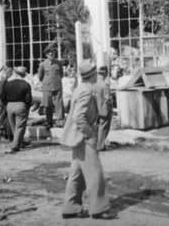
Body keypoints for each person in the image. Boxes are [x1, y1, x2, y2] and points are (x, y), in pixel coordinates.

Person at [61, 59, 117, 220]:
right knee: (95, 173)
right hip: (83, 136)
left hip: (76, 136)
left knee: (76, 173)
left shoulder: (80, 88)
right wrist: (90, 134)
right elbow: (79, 117)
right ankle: (99, 209)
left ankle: (71, 207)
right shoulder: (86, 91)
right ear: (92, 75)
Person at [0, 67, 32, 153]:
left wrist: (6, 102)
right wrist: (27, 107)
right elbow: (28, 98)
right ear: (24, 75)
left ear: (15, 74)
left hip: (9, 105)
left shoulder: (8, 84)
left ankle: (19, 142)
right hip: (21, 105)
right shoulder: (26, 85)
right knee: (19, 127)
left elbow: (1, 93)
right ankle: (15, 146)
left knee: (14, 127)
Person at [38, 47, 64, 128]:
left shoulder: (59, 63)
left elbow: (61, 74)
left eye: (53, 53)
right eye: (50, 54)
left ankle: (60, 121)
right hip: (47, 86)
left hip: (57, 85)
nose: (51, 55)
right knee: (47, 104)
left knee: (59, 103)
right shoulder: (43, 64)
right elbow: (40, 76)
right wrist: (46, 82)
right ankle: (49, 121)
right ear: (46, 55)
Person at [96, 66, 112, 151]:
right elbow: (107, 98)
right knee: (104, 127)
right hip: (103, 109)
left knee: (97, 127)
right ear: (105, 73)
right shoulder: (105, 84)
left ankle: (95, 144)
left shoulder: (94, 83)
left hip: (95, 108)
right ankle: (100, 145)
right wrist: (109, 109)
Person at [0, 66, 14, 141]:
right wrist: (4, 100)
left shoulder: (5, 81)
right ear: (8, 73)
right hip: (3, 101)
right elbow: (0, 92)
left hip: (5, 101)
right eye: (11, 73)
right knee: (2, 117)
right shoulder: (3, 81)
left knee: (5, 117)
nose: (11, 74)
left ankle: (4, 134)